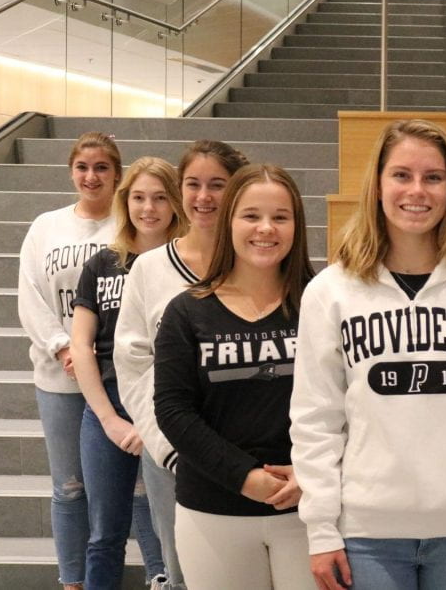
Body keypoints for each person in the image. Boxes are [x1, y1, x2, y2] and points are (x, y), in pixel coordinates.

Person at [290, 118, 446, 590]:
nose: (417, 191)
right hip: (364, 532)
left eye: (433, 177)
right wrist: (321, 529)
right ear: (378, 185)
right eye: (401, 175)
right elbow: (315, 419)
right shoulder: (331, 291)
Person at [153, 164, 315, 589]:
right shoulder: (187, 311)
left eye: (280, 217)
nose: (266, 228)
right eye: (251, 216)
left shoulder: (323, 302)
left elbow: (352, 401)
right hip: (212, 510)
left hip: (310, 508)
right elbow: (172, 411)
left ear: (297, 225)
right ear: (229, 222)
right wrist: (244, 477)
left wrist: (311, 473)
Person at [114, 140, 249, 588]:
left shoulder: (262, 260)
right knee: (183, 574)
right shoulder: (150, 270)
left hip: (250, 452)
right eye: (193, 184)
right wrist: (166, 446)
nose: (204, 197)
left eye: (218, 185)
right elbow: (133, 365)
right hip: (172, 454)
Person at [68, 156, 186, 588]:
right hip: (107, 411)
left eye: (159, 197)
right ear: (125, 201)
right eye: (138, 197)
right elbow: (81, 345)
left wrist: (149, 422)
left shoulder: (188, 263)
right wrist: (109, 419)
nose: (148, 208)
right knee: (104, 533)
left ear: (175, 202)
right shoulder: (102, 264)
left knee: (167, 530)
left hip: (168, 411)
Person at [17, 131, 121, 590]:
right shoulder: (46, 226)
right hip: (60, 377)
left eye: (101, 168)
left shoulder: (130, 223)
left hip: (120, 375)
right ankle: (73, 580)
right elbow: (29, 296)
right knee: (69, 487)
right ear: (71, 172)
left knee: (132, 488)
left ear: (117, 173)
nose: (91, 176)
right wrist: (64, 347)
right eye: (83, 167)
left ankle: (159, 574)